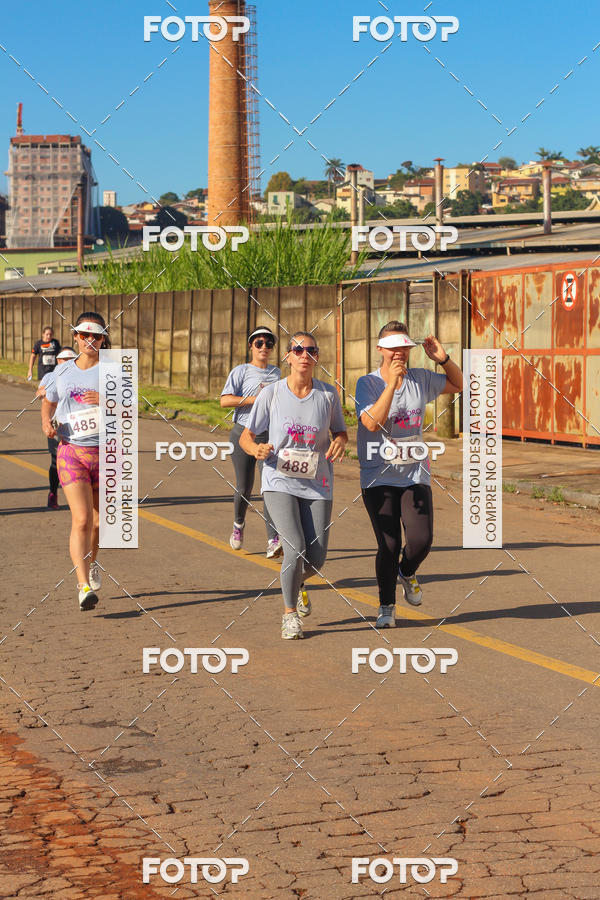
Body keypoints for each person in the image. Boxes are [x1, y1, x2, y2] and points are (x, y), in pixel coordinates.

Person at [240, 332, 348, 639]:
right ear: (288, 356)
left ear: (317, 357)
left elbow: (341, 431)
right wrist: (255, 450)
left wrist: (340, 441)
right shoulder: (271, 394)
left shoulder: (327, 396)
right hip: (279, 480)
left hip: (317, 483)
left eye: (310, 350)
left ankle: (297, 582)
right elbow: (248, 436)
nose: (304, 354)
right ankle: (289, 615)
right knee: (295, 549)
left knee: (316, 559)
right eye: (298, 349)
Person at [355, 321, 463, 628]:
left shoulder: (420, 379)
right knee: (388, 544)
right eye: (392, 348)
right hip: (378, 475)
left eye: (403, 347)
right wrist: (391, 384)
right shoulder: (368, 383)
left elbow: (459, 385)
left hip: (415, 472)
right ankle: (386, 607)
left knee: (422, 540)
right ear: (380, 350)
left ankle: (407, 571)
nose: (399, 353)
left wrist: (443, 360)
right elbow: (372, 424)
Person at [41, 313, 109, 611]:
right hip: (71, 451)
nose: (89, 340)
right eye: (83, 335)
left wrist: (108, 400)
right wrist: (46, 423)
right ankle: (83, 586)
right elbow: (49, 402)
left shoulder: (115, 371)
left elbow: (131, 410)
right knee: (81, 520)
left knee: (98, 524)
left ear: (103, 339)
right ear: (75, 337)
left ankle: (92, 563)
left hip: (106, 454)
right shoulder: (63, 372)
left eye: (95, 336)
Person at [220, 326, 282, 557]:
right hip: (242, 432)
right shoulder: (241, 371)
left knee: (269, 486)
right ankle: (238, 525)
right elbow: (225, 401)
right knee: (245, 486)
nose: (264, 347)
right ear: (251, 346)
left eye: (268, 343)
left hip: (268, 435)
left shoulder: (277, 373)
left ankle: (273, 539)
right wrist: (257, 399)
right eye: (259, 343)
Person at [36, 347, 77, 509]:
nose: (66, 362)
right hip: (56, 424)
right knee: (56, 462)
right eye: (63, 359)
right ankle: (53, 492)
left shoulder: (83, 375)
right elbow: (40, 392)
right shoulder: (50, 376)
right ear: (57, 361)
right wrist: (43, 391)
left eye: (70, 359)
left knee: (77, 462)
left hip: (77, 426)